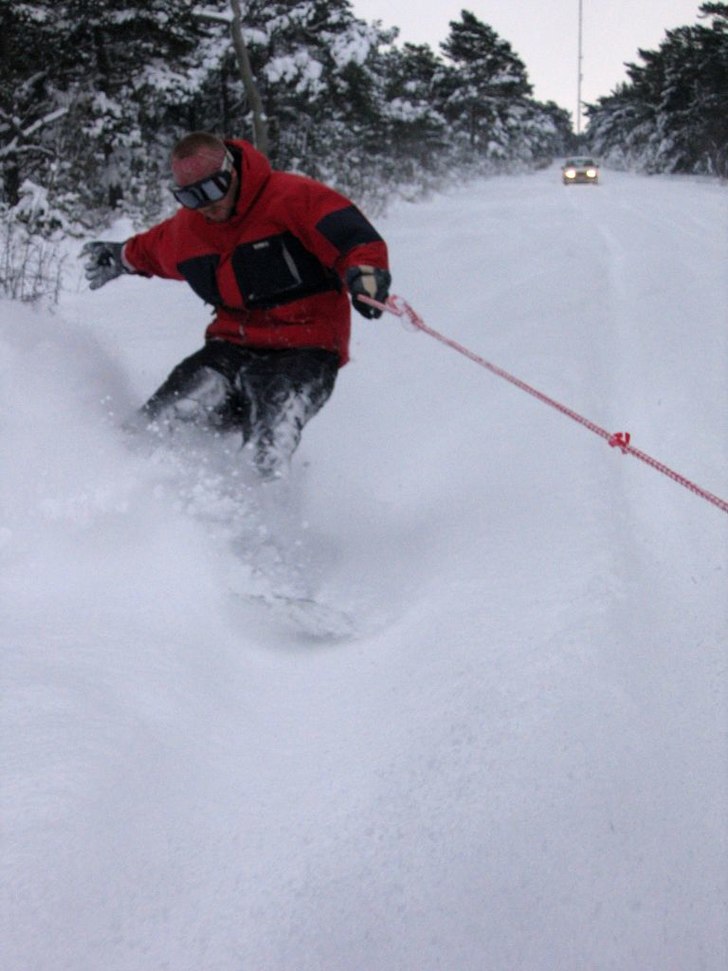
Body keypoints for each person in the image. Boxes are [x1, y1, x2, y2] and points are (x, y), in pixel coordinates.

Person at [81, 131, 390, 478]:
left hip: (305, 348)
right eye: (190, 196)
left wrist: (366, 274)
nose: (206, 205)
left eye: (213, 190)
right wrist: (119, 257)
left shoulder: (291, 197)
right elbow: (151, 250)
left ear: (232, 171)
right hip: (230, 349)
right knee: (160, 420)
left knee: (268, 441)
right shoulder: (190, 229)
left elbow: (353, 237)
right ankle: (128, 498)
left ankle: (264, 521)